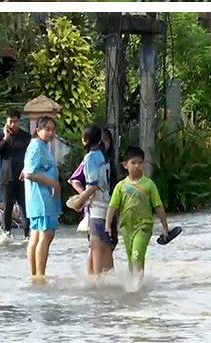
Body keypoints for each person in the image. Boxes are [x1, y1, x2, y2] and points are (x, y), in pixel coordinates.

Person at [107, 146, 171, 289]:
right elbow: (112, 207)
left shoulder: (149, 184)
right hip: (126, 227)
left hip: (144, 227)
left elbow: (158, 207)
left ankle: (134, 289)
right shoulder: (120, 186)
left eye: (140, 163)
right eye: (133, 163)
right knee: (133, 259)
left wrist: (165, 227)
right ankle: (139, 286)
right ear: (125, 165)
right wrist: (107, 227)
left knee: (137, 254)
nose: (137, 166)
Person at [67, 124, 115, 281]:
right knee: (106, 244)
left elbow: (93, 185)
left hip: (97, 207)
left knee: (95, 244)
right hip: (107, 203)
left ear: (85, 140)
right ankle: (110, 279)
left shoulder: (90, 158)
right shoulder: (103, 156)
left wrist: (79, 201)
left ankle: (96, 281)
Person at [22, 116, 62, 280]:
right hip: (42, 199)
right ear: (38, 130)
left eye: (53, 130)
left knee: (37, 236)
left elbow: (28, 169)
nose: (51, 133)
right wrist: (52, 183)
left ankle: (35, 276)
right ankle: (40, 275)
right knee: (46, 235)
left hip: (40, 199)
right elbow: (30, 173)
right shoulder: (37, 146)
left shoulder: (40, 146)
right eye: (47, 129)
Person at [0, 110, 31, 233]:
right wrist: (5, 138)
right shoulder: (2, 136)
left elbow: (30, 156)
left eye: (15, 121)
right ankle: (7, 234)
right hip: (6, 179)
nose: (12, 124)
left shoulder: (26, 137)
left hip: (22, 178)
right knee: (8, 208)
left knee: (24, 208)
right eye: (10, 121)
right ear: (6, 122)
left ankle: (27, 235)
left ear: (19, 121)